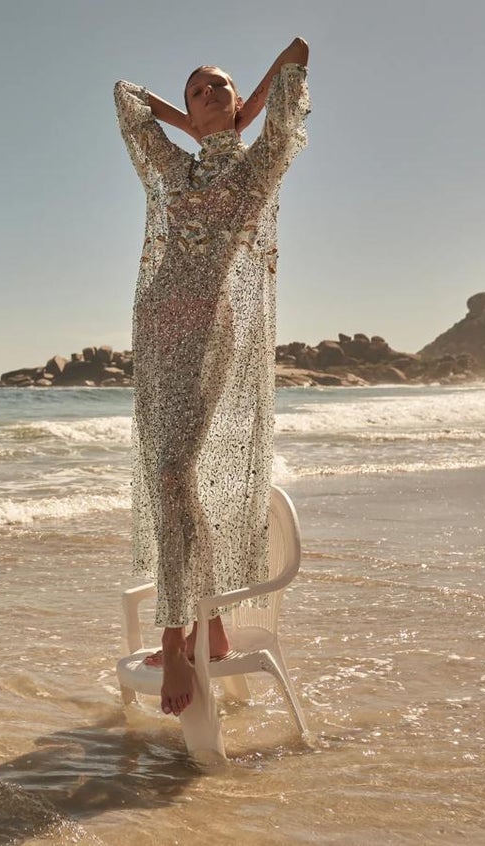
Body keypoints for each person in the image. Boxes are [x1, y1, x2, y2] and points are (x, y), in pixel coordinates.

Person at [114, 38, 310, 716]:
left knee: (173, 472)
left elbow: (297, 57)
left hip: (210, 327)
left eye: (220, 86)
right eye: (198, 90)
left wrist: (242, 118)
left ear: (239, 103)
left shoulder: (257, 168)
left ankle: (177, 640)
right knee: (174, 474)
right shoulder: (170, 167)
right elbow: (126, 95)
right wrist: (193, 126)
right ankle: (211, 620)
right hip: (156, 325)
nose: (209, 94)